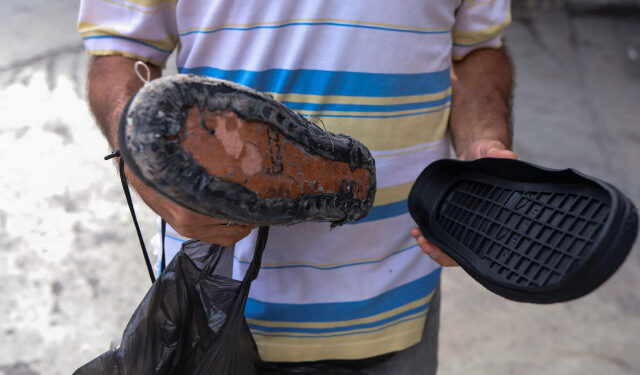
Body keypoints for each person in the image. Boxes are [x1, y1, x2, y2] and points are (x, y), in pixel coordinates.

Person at [79, 1, 517, 373]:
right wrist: (140, 160)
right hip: (219, 306)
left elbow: (477, 51)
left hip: (400, 299)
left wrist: (485, 146)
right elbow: (119, 51)